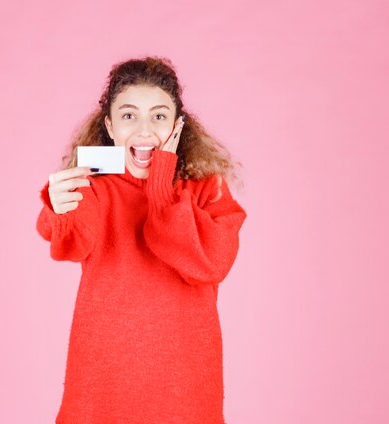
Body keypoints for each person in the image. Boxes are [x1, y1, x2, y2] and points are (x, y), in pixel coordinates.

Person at [36, 56, 247, 423]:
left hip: (184, 387)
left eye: (159, 116)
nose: (145, 130)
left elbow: (212, 262)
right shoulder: (96, 183)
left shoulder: (206, 189)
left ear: (178, 126)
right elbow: (69, 238)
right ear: (110, 126)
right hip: (103, 386)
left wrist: (161, 184)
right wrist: (56, 204)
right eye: (129, 116)